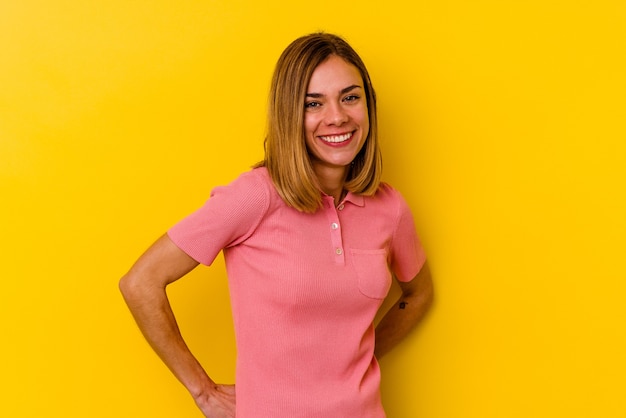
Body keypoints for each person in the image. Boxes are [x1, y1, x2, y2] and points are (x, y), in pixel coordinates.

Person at [119, 32, 434, 418]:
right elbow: (140, 282)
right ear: (289, 115)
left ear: (368, 105)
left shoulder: (390, 208)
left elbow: (416, 294)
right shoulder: (255, 197)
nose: (337, 117)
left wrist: (362, 357)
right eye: (312, 104)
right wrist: (203, 391)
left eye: (350, 97)